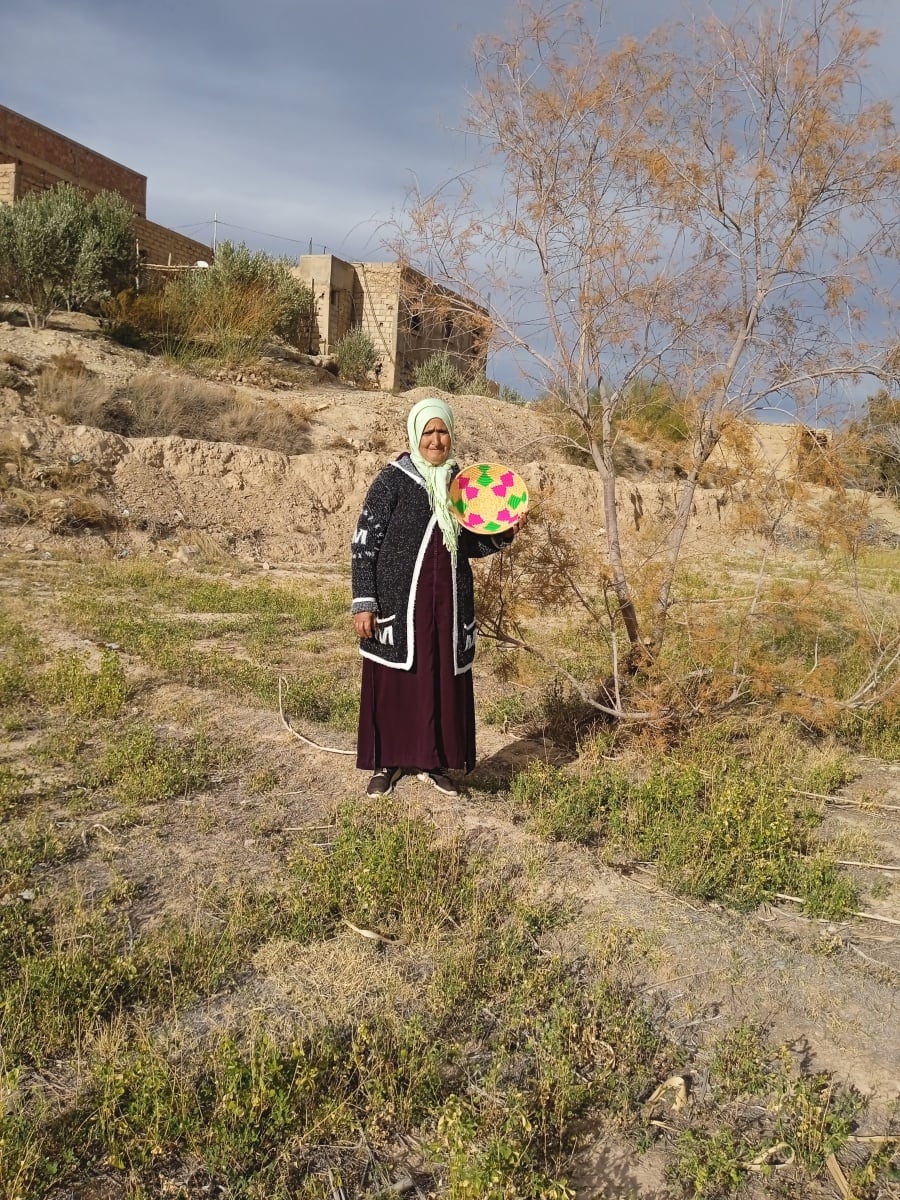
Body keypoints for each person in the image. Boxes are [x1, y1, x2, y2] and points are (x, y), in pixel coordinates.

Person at [351, 397, 517, 797]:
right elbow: (364, 542)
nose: (436, 440)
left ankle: (435, 760)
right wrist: (365, 601)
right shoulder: (392, 480)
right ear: (414, 435)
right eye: (428, 432)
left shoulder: (462, 484)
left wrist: (504, 532)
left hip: (447, 602)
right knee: (395, 679)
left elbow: (471, 546)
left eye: (442, 431)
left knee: (441, 676)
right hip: (398, 601)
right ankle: (386, 763)